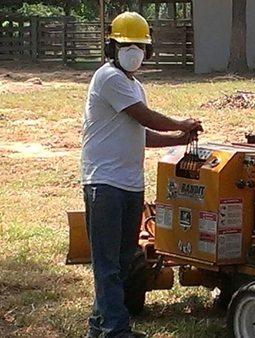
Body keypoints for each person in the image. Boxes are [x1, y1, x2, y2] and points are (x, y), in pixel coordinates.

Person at [81, 12, 201, 338]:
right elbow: (144, 116)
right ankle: (116, 331)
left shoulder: (134, 86)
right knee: (107, 265)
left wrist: (179, 139)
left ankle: (100, 327)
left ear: (147, 52)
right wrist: (182, 123)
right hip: (104, 184)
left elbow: (142, 133)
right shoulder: (108, 78)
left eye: (140, 46)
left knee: (119, 264)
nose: (134, 51)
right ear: (112, 47)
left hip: (131, 185)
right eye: (126, 45)